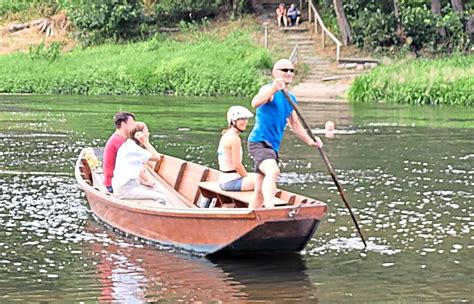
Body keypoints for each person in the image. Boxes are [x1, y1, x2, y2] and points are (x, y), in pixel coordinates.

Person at [247, 59, 323, 209]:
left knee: (259, 190)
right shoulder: (268, 90)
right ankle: (270, 207)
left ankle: (249, 217)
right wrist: (273, 89)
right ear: (275, 73)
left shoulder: (290, 98)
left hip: (273, 147)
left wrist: (310, 141)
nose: (288, 73)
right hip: (259, 142)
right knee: (273, 171)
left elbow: (294, 124)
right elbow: (255, 103)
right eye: (284, 70)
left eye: (291, 70)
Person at [112, 123, 168, 203]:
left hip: (127, 186)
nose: (148, 134)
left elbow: (131, 170)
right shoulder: (134, 149)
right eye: (146, 131)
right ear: (140, 135)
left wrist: (144, 183)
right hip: (125, 190)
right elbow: (157, 157)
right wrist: (145, 142)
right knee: (162, 198)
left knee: (159, 189)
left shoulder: (128, 145)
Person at [217, 105, 256, 192]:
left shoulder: (227, 134)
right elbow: (237, 165)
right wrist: (247, 178)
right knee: (262, 181)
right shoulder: (234, 139)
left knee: (258, 176)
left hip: (224, 179)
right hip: (230, 182)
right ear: (233, 121)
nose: (245, 122)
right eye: (242, 119)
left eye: (246, 119)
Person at [103, 112, 136, 193]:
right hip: (113, 185)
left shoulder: (117, 138)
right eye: (132, 124)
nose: (134, 127)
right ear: (123, 124)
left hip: (112, 182)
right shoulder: (119, 141)